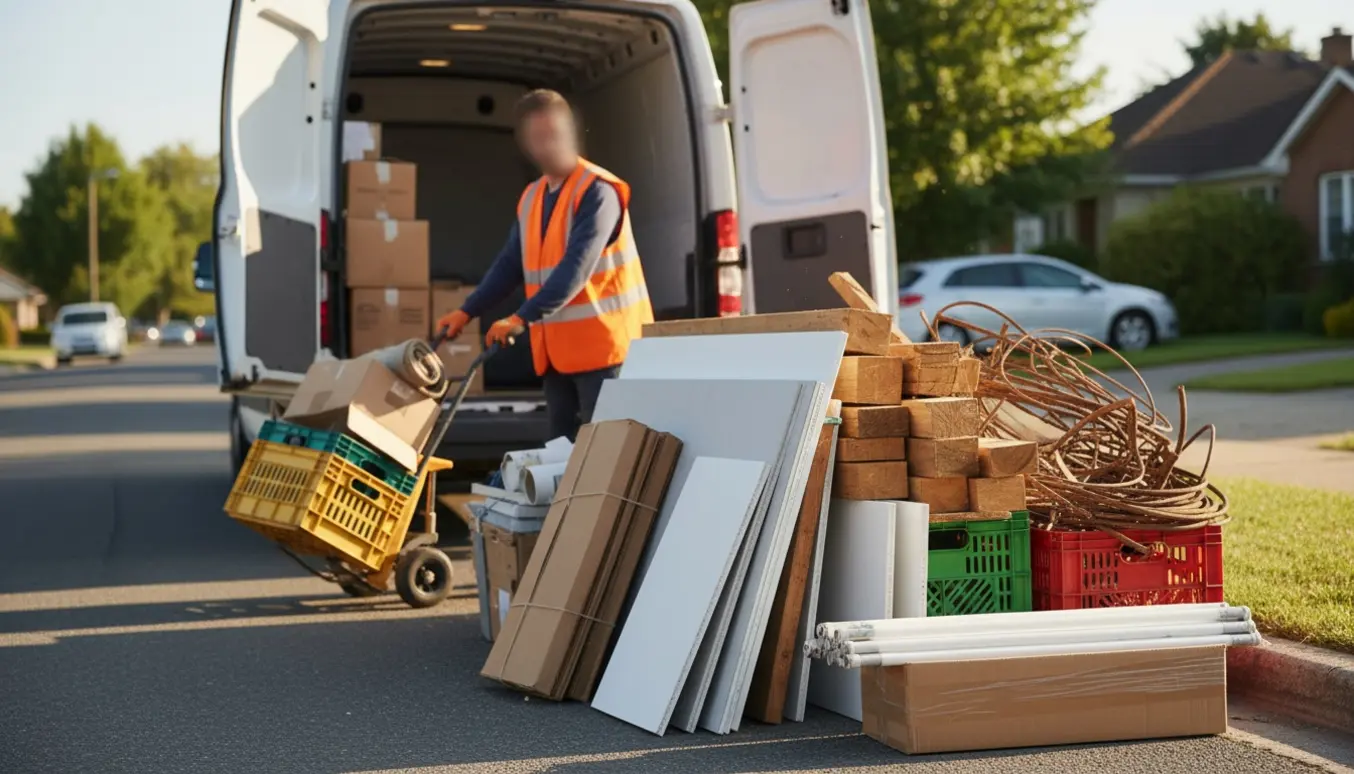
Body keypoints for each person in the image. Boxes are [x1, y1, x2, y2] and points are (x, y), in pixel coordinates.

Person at [435, 89, 653, 442]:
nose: (549, 144)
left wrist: (520, 318)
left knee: (606, 453)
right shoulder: (532, 197)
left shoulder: (598, 191)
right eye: (539, 137)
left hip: (606, 353)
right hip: (557, 356)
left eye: (555, 134)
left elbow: (576, 268)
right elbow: (510, 264)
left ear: (572, 132)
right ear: (527, 145)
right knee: (561, 452)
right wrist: (467, 311)